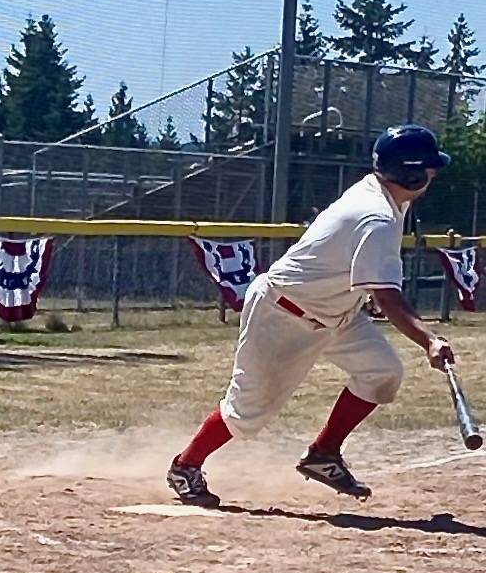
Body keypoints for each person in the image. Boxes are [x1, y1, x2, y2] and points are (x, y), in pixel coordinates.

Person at [167, 124, 456, 508]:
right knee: (246, 415)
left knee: (382, 373)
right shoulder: (378, 216)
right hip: (284, 315)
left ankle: (323, 454)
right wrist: (429, 340)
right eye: (430, 170)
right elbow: (387, 296)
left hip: (336, 314)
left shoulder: (385, 197)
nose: (434, 176)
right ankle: (186, 466)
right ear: (412, 174)